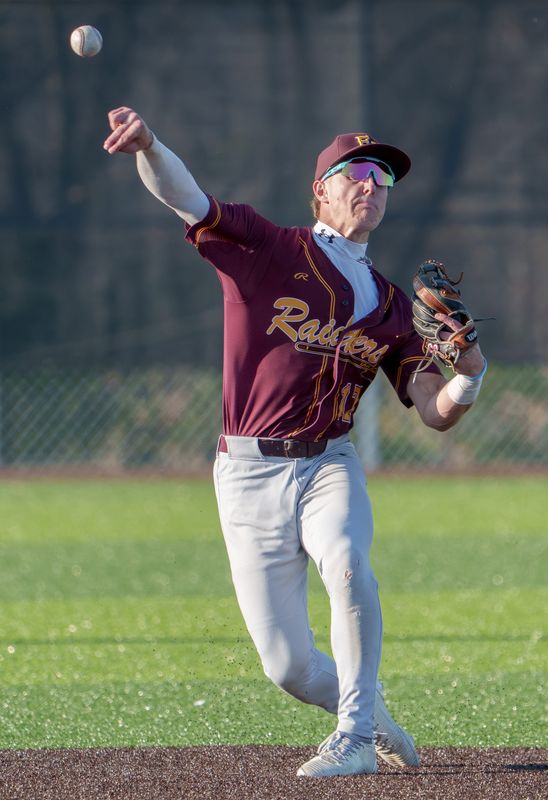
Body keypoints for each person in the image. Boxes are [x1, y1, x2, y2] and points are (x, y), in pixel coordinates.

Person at [103, 109, 487, 778]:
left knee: (345, 561)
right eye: (359, 173)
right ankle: (368, 714)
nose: (375, 185)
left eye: (385, 178)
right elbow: (186, 199)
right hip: (247, 475)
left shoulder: (396, 308)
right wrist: (150, 145)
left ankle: (355, 738)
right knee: (285, 666)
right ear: (322, 191)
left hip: (328, 463)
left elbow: (432, 410)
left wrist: (471, 376)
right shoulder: (270, 250)